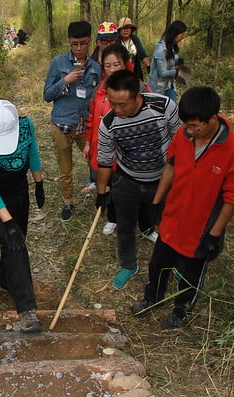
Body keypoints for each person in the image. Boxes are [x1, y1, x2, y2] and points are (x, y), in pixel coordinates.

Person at [132, 86, 234, 328]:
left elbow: (233, 197)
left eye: (196, 126)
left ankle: (182, 308)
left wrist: (214, 235)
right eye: (186, 125)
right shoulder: (183, 137)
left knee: (191, 272)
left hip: (202, 226)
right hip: (174, 217)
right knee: (158, 264)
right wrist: (157, 202)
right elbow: (172, 167)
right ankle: (153, 298)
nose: (190, 131)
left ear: (213, 118)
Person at [95, 70, 181, 290]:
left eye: (122, 104)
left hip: (163, 178)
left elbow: (181, 141)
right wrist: (102, 192)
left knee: (169, 224)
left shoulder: (164, 107)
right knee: (124, 227)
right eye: (112, 103)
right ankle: (128, 265)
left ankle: (177, 265)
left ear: (137, 96)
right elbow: (105, 160)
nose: (116, 109)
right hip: (127, 180)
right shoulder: (108, 123)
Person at [0, 100, 44, 333]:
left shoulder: (26, 125)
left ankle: (5, 280)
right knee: (16, 244)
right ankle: (26, 311)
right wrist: (8, 221)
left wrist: (39, 182)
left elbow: (32, 151)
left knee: (12, 241)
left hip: (19, 196)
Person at [85, 44, 157, 239]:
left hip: (132, 152)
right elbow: (93, 117)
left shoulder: (140, 89)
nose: (112, 69)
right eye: (107, 65)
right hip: (107, 149)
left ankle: (146, 226)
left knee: (139, 190)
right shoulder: (100, 90)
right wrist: (89, 142)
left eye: (116, 64)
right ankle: (114, 217)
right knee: (112, 186)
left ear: (126, 64)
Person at [43, 21, 102, 221]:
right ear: (69, 42)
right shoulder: (58, 63)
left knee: (96, 163)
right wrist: (65, 81)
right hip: (61, 124)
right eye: (74, 44)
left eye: (83, 43)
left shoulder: (96, 68)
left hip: (85, 125)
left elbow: (99, 98)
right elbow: (47, 95)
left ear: (89, 41)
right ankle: (67, 202)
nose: (78, 48)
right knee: (65, 169)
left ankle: (102, 197)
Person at [82, 21, 120, 195]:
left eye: (111, 41)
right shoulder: (91, 61)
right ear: (98, 41)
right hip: (96, 109)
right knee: (97, 150)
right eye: (104, 41)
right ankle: (95, 181)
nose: (107, 44)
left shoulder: (122, 59)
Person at [147, 20, 187, 103]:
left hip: (168, 86)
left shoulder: (170, 46)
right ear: (175, 34)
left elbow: (170, 58)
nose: (182, 37)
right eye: (182, 35)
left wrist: (178, 58)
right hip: (157, 89)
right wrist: (176, 72)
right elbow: (163, 73)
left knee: (173, 108)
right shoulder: (161, 50)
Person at [116, 17, 151, 82]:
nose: (126, 30)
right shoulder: (116, 42)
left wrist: (149, 67)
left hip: (136, 73)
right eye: (123, 28)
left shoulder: (135, 39)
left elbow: (142, 54)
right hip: (121, 74)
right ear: (119, 30)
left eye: (128, 28)